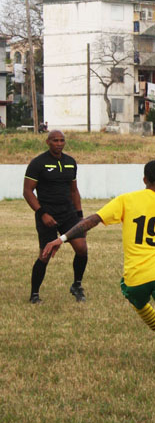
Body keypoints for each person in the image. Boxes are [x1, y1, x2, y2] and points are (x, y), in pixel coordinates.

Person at [41, 160, 155, 379]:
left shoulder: (126, 200)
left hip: (134, 278)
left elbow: (92, 220)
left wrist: (62, 238)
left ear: (144, 180)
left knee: (139, 303)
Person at [23, 129, 88, 303]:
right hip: (47, 214)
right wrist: (42, 213)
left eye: (61, 140)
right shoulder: (38, 163)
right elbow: (27, 191)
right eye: (55, 140)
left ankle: (76, 285)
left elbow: (74, 191)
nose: (59, 143)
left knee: (82, 248)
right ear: (48, 142)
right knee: (45, 254)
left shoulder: (70, 162)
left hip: (68, 214)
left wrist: (80, 216)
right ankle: (34, 295)